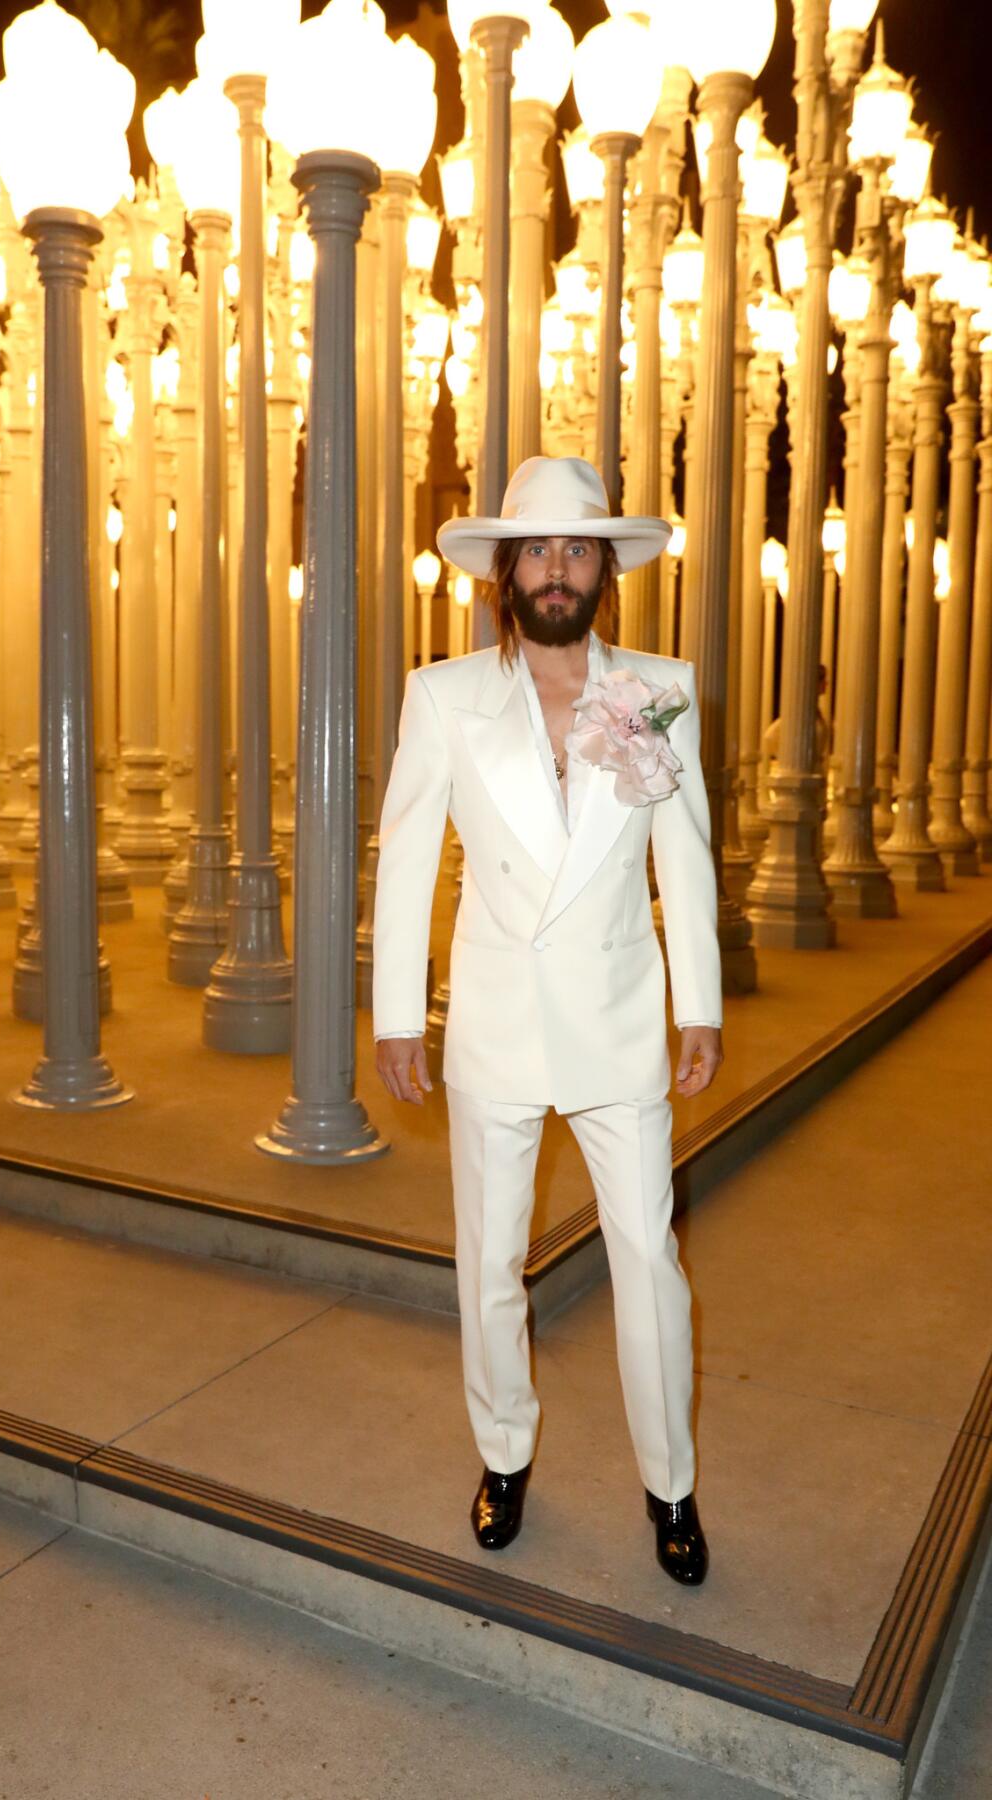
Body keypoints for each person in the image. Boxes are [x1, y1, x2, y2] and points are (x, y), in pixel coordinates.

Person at [371, 456, 723, 1586]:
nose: (557, 570)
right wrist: (396, 1014)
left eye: (577, 549)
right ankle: (504, 1454)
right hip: (496, 1021)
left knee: (650, 1264)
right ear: (504, 571)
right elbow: (408, 857)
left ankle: (672, 1488)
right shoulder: (446, 697)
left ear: (604, 570)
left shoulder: (659, 689)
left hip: (620, 1016)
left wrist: (698, 1002)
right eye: (538, 550)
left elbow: (687, 856)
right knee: (489, 1260)